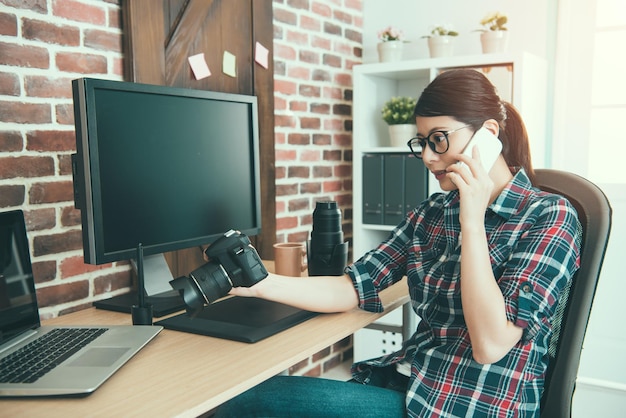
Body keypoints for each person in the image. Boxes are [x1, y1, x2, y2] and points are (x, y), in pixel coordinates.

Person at [214, 69, 582, 417]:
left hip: (470, 404)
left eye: (439, 139)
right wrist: (260, 283)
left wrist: (473, 220)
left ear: (487, 134)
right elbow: (355, 286)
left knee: (246, 404)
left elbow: (490, 344)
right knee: (243, 396)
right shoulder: (432, 214)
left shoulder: (551, 216)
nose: (427, 156)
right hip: (415, 385)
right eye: (422, 142)